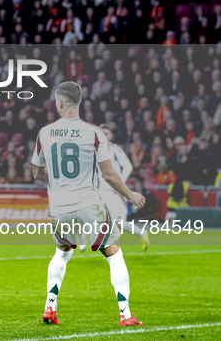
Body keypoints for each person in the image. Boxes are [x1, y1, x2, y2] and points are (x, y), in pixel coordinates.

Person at [31, 81, 145, 327]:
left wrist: (60, 181)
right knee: (114, 255)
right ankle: (125, 314)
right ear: (79, 102)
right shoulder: (94, 133)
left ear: (59, 102)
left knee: (62, 253)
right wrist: (130, 195)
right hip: (89, 205)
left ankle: (50, 308)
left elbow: (37, 173)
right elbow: (109, 175)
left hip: (59, 207)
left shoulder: (44, 132)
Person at [93, 124, 150, 251]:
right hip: (101, 191)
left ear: (111, 136)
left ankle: (141, 233)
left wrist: (120, 184)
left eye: (106, 133)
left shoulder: (115, 149)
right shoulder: (95, 150)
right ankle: (109, 249)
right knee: (103, 221)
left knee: (118, 223)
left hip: (114, 192)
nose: (104, 135)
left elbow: (128, 166)